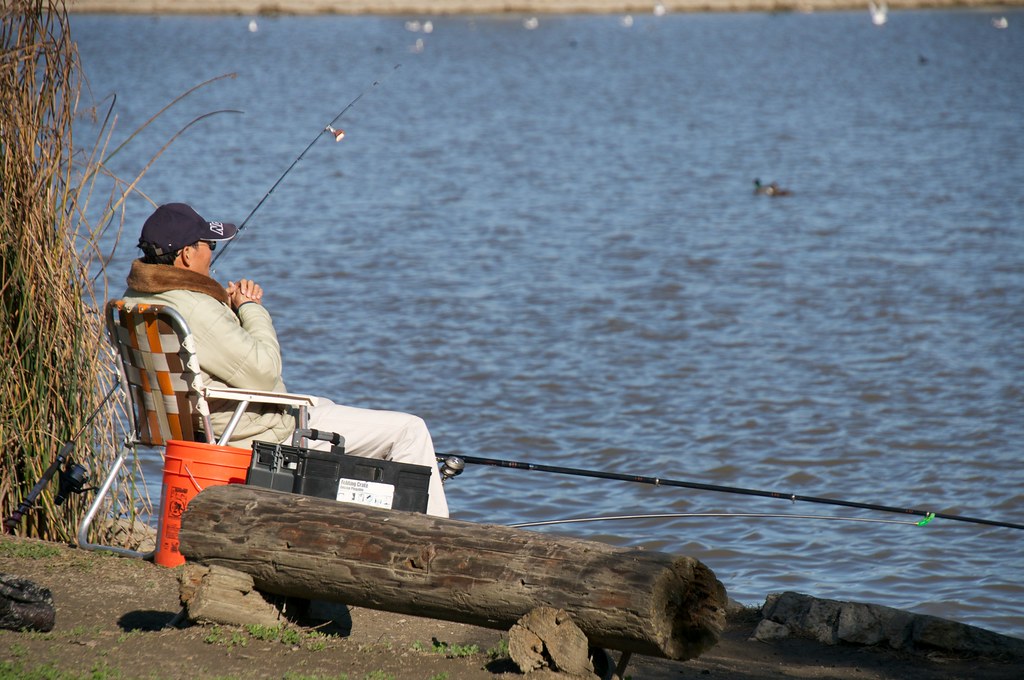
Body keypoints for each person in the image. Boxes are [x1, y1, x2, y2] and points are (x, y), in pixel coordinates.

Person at [121, 202, 449, 517]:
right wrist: (250, 308)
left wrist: (227, 311)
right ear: (188, 255)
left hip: (199, 427)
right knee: (409, 431)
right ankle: (435, 542)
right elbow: (265, 373)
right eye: (209, 245)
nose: (211, 253)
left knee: (325, 406)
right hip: (252, 433)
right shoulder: (193, 306)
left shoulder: (134, 301)